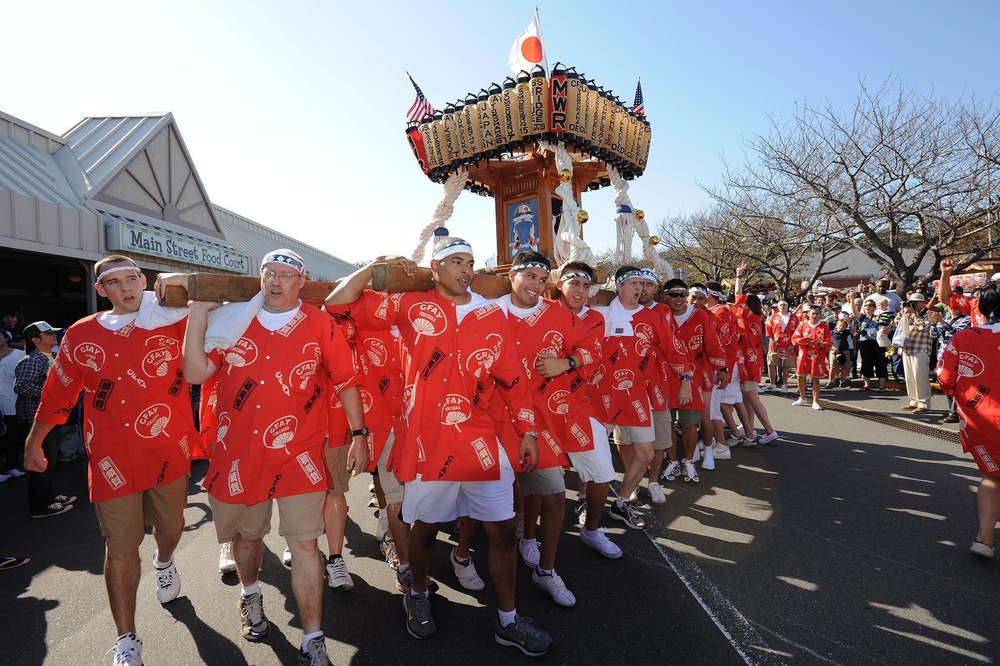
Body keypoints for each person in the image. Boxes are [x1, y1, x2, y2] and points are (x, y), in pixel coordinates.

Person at [325, 237, 553, 657]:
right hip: (428, 443)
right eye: (455, 261)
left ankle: (508, 621)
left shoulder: (490, 314)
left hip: (482, 440)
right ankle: (418, 594)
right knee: (424, 532)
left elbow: (513, 380)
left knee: (502, 529)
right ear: (435, 267)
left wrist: (528, 431)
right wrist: (371, 266)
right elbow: (338, 306)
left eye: (469, 261)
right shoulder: (410, 305)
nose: (465, 268)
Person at [180, 249, 367, 666]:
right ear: (260, 277)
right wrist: (197, 315)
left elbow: (346, 380)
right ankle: (250, 595)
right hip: (239, 455)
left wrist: (359, 434)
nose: (277, 280)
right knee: (247, 538)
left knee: (305, 544)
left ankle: (313, 637)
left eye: (287, 274)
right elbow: (195, 374)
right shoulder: (232, 320)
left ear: (302, 282)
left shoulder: (320, 324)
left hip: (299, 453)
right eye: (270, 272)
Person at [24, 255, 200, 666]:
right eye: (115, 282)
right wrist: (36, 440)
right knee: (120, 547)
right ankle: (127, 639)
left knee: (170, 528)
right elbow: (59, 389)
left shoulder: (176, 320)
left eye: (133, 279)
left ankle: (164, 560)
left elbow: (225, 334)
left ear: (144, 281)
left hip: (168, 450)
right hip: (110, 457)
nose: (127, 288)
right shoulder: (83, 334)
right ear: (101, 290)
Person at [491, 250, 603, 607]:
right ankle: (462, 555)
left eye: (543, 279)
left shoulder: (557, 312)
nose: (536, 286)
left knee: (555, 497)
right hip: (490, 419)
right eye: (529, 277)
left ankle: (546, 569)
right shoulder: (488, 310)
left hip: (538, 422)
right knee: (484, 506)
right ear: (512, 276)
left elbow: (592, 348)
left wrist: (566, 362)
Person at [553, 261, 622, 558]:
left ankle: (591, 530)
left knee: (603, 473)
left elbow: (588, 356)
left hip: (579, 404)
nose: (580, 290)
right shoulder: (540, 310)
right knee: (536, 479)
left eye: (585, 285)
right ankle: (526, 535)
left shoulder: (597, 317)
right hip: (537, 405)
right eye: (574, 283)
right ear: (558, 284)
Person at [936, 281, 1000, 559]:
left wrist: (963, 399)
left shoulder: (963, 338)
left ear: (982, 307)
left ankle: (984, 540)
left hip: (983, 418)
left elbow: (945, 378)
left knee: (992, 477)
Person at [15, 321, 77, 518]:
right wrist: (52, 396)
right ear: (35, 340)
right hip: (36, 420)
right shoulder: (33, 360)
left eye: (53, 332)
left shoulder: (50, 357)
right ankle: (41, 505)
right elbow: (22, 387)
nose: (53, 335)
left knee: (49, 460)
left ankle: (48, 497)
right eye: (48, 333)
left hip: (52, 418)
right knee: (40, 462)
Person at [928, 304, 970, 423]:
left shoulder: (966, 319)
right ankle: (951, 409)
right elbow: (934, 335)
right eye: (951, 306)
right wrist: (933, 323)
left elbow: (957, 333)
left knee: (956, 384)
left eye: (955, 306)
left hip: (957, 356)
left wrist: (941, 321)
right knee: (946, 383)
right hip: (943, 355)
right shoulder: (946, 318)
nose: (953, 308)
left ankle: (955, 412)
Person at [896, 293, 934, 414]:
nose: (914, 304)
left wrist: (914, 315)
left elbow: (923, 327)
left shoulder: (928, 314)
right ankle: (914, 401)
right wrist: (904, 312)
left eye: (916, 302)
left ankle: (924, 403)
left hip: (921, 349)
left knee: (920, 377)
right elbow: (897, 323)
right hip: (907, 349)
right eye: (912, 302)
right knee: (910, 378)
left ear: (923, 302)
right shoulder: (907, 314)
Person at [791, 304, 831, 410]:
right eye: (813, 313)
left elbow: (829, 343)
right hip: (803, 355)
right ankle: (802, 397)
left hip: (817, 356)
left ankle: (815, 401)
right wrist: (800, 340)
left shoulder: (824, 328)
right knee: (800, 376)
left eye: (817, 314)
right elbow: (794, 338)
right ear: (808, 314)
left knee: (816, 379)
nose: (815, 316)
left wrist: (819, 344)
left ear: (819, 315)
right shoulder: (802, 326)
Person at [0, 330, 26, 482]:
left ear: (6, 337)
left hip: (12, 403)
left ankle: (12, 466)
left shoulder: (18, 355)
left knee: (13, 437)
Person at [851, 297, 888, 390]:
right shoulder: (862, 317)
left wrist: (883, 329)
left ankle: (882, 386)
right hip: (865, 342)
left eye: (870, 305)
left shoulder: (879, 316)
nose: (867, 307)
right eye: (866, 305)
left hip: (878, 342)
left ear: (874, 308)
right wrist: (851, 299)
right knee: (866, 363)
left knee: (881, 363)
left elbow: (886, 327)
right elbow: (854, 310)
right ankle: (867, 385)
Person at [765, 300, 798, 393]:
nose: (782, 306)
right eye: (780, 305)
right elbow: (768, 330)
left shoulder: (794, 317)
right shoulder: (773, 317)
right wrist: (772, 342)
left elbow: (797, 331)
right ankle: (772, 384)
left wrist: (793, 344)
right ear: (778, 307)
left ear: (787, 307)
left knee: (786, 366)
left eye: (784, 305)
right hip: (775, 345)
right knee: (771, 364)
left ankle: (784, 385)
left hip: (788, 346)